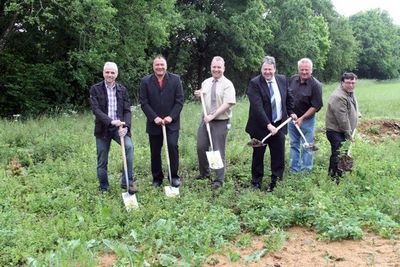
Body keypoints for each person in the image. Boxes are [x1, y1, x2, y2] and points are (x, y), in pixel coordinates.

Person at [245, 56, 297, 192]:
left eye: (270, 69)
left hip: (279, 125)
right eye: (264, 69)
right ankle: (256, 183)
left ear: (274, 69)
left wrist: (291, 112)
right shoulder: (254, 83)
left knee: (278, 155)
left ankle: (276, 182)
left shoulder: (282, 80)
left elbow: (289, 97)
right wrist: (268, 125)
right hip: (259, 127)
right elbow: (257, 107)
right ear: (261, 69)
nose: (267, 72)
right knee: (258, 155)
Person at [89, 62, 136, 193]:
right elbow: (96, 110)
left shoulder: (122, 90)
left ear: (116, 74)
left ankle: (127, 182)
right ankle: (104, 187)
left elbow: (127, 110)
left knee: (129, 147)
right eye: (107, 72)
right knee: (102, 159)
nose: (109, 75)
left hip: (119, 128)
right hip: (103, 128)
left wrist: (125, 125)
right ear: (103, 73)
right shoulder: (95, 89)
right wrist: (111, 122)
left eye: (112, 72)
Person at [139, 55, 184, 188]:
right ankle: (157, 178)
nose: (160, 67)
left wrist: (171, 117)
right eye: (157, 65)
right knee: (155, 151)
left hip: (172, 123)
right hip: (154, 123)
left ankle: (174, 176)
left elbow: (179, 101)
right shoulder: (145, 81)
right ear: (153, 66)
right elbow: (144, 102)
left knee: (172, 146)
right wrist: (154, 117)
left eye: (162, 65)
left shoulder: (175, 80)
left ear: (166, 66)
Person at [194, 56, 236, 189]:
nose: (216, 69)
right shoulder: (206, 82)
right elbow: (204, 97)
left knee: (218, 150)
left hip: (220, 121)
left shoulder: (227, 84)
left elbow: (229, 103)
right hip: (205, 120)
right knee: (201, 147)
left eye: (219, 67)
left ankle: (218, 180)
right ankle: (204, 174)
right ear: (211, 67)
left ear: (223, 68)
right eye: (214, 67)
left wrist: (213, 115)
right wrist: (199, 94)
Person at [288, 58, 323, 173]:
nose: (304, 72)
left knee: (307, 145)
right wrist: (291, 113)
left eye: (306, 70)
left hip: (307, 121)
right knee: (294, 144)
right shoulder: (292, 80)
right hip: (292, 119)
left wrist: (302, 118)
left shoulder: (316, 85)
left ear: (311, 70)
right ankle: (294, 169)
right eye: (302, 70)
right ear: (298, 69)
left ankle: (306, 171)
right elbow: (287, 97)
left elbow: (316, 106)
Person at [325, 72, 359, 180]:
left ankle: (338, 175)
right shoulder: (338, 96)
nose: (351, 85)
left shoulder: (349, 92)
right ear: (342, 82)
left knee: (342, 153)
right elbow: (342, 119)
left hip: (342, 131)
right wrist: (348, 133)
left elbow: (352, 107)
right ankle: (334, 178)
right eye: (348, 83)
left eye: (353, 83)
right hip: (336, 131)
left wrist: (357, 114)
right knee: (338, 154)